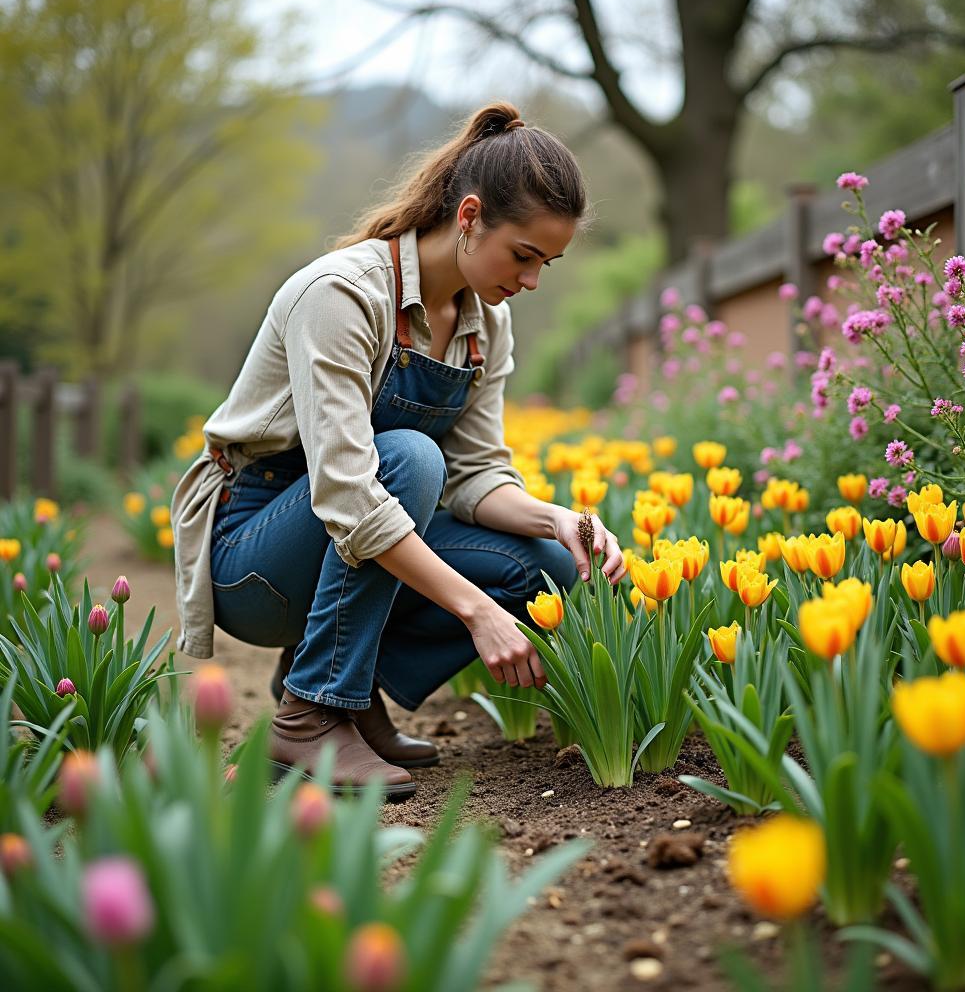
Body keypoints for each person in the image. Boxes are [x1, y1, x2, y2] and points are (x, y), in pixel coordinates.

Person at [170, 101, 627, 801]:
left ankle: (343, 697)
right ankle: (310, 716)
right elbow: (350, 495)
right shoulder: (343, 295)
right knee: (410, 458)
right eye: (525, 255)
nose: (532, 280)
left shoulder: (484, 324)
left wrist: (556, 519)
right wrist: (476, 611)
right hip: (252, 555)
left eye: (548, 263)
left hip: (341, 539)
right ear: (469, 217)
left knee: (546, 567)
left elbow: (477, 475)